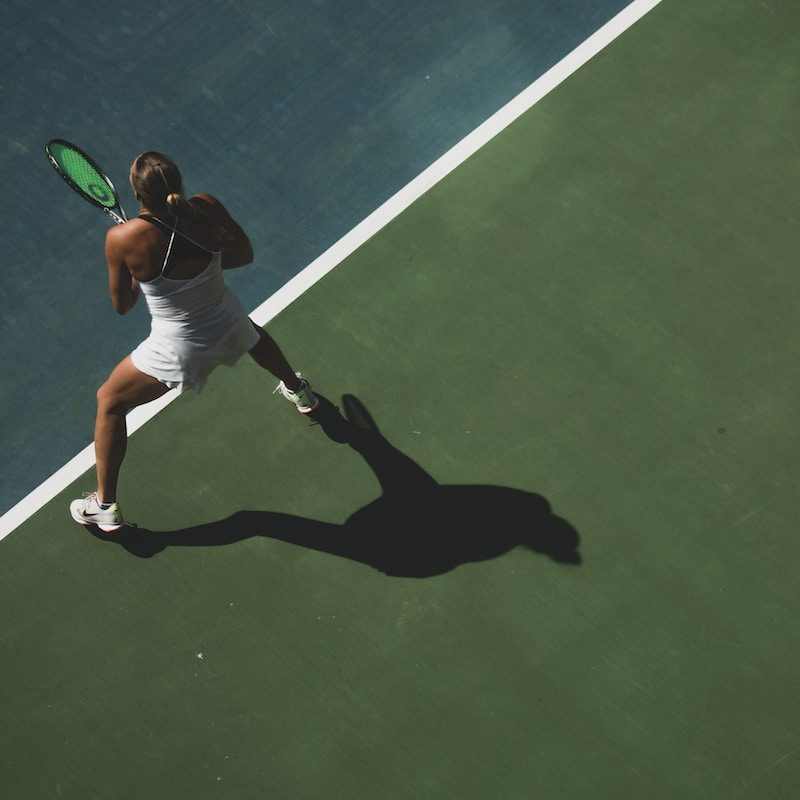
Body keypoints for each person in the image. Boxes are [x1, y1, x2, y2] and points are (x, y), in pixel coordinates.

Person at [70, 151, 318, 533]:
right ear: (177, 184)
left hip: (179, 350)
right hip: (228, 320)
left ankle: (104, 505)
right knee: (249, 333)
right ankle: (300, 391)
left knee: (110, 401)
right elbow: (243, 254)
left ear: (136, 192)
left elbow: (123, 305)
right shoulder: (204, 206)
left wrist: (141, 277)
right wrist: (203, 271)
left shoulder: (122, 238)